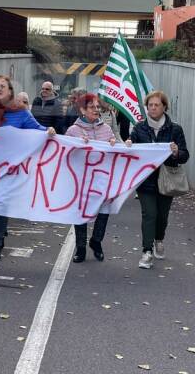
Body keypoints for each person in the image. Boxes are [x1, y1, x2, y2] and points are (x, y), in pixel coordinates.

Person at [0, 75, 56, 263]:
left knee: (1, 204)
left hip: (9, 169)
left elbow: (37, 129)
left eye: (3, 86)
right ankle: (0, 229)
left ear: (10, 91)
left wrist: (48, 131)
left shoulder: (21, 111)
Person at [129, 90, 189, 270]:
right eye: (150, 105)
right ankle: (146, 252)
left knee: (162, 216)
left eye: (156, 105)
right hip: (145, 180)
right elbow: (132, 147)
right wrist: (128, 144)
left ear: (164, 107)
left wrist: (176, 152)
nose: (153, 108)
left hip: (166, 180)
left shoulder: (175, 129)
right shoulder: (139, 128)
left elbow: (185, 155)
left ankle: (159, 239)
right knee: (149, 214)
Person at [64, 93, 126, 264]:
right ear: (83, 110)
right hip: (82, 179)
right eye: (92, 107)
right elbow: (65, 154)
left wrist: (118, 144)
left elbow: (116, 146)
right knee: (81, 212)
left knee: (104, 210)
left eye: (97, 107)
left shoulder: (106, 129)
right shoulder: (73, 130)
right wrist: (77, 145)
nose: (97, 110)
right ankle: (81, 247)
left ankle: (96, 241)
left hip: (102, 178)